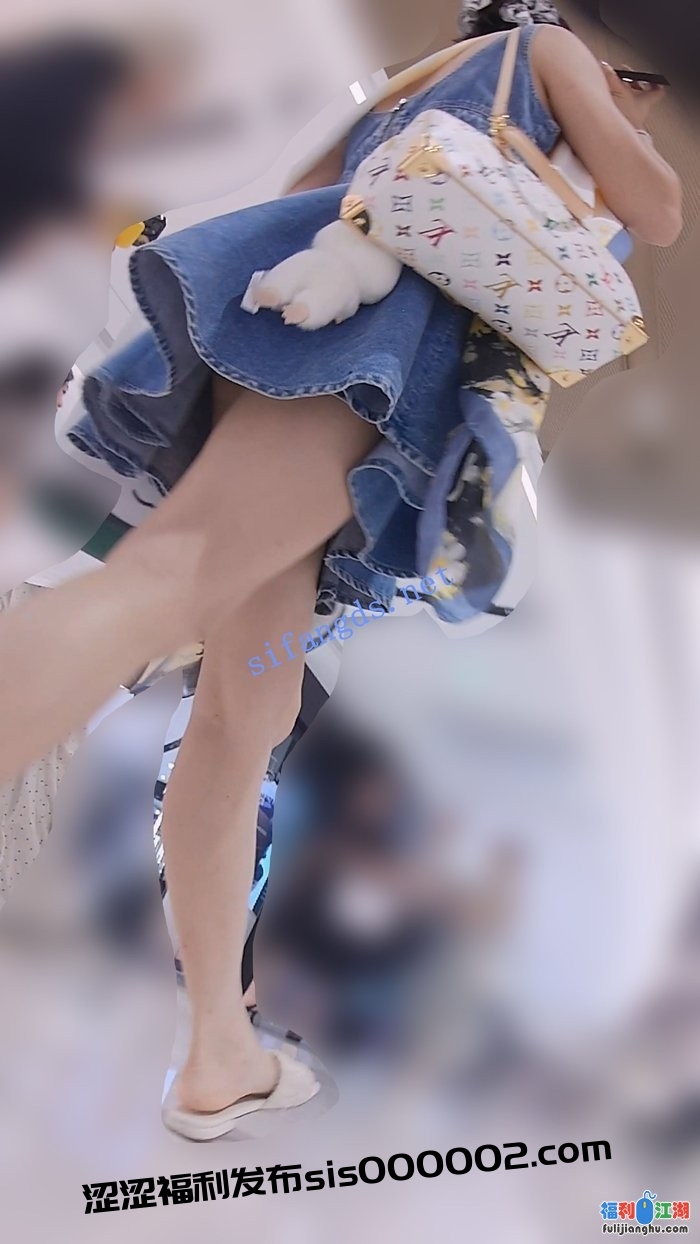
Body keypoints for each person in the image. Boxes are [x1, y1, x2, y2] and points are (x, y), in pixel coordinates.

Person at [0, 0, 681, 1138]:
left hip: (308, 340)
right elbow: (655, 209)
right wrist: (620, 135)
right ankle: (217, 1044)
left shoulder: (423, 78)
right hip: (361, 354)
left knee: (246, 709)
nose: (642, 103)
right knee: (167, 580)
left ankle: (219, 1051)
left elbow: (300, 190)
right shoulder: (545, 44)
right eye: (645, 81)